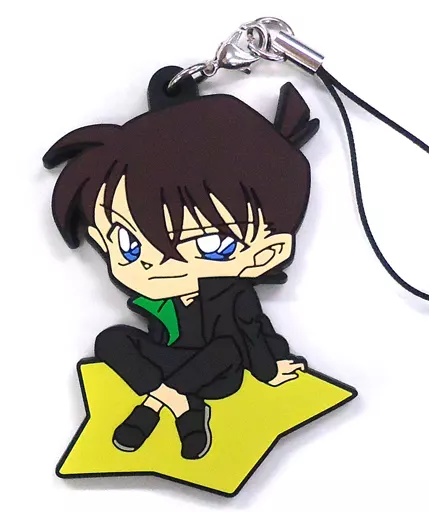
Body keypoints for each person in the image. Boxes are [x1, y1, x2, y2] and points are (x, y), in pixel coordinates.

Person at [44, 82, 319, 460]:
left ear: (268, 252)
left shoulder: (234, 295)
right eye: (128, 243)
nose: (155, 262)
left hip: (218, 371)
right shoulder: (153, 300)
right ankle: (181, 406)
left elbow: (255, 331)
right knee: (111, 340)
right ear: (100, 239)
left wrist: (270, 368)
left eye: (209, 243)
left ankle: (152, 407)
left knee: (224, 349)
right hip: (168, 360)